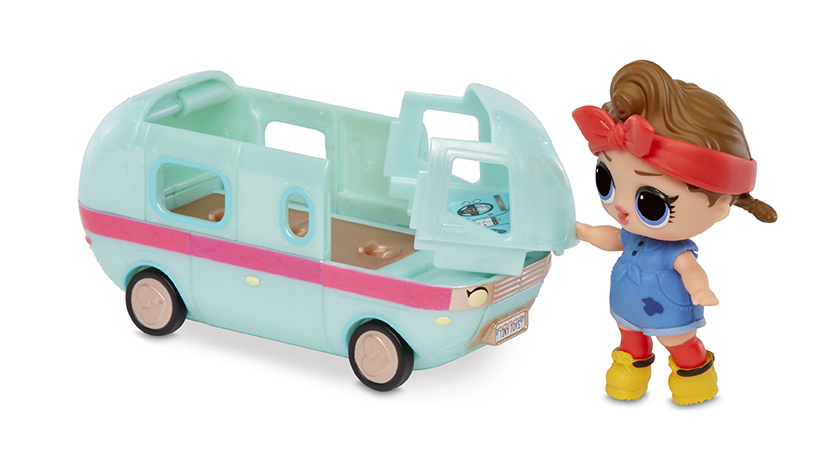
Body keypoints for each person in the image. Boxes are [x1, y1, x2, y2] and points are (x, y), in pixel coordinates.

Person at [572, 60, 776, 405]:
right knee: (630, 339)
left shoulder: (675, 251)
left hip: (669, 309)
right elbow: (614, 238)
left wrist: (700, 289)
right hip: (626, 305)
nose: (621, 207)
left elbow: (690, 269)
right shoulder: (630, 234)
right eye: (606, 180)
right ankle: (630, 370)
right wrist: (585, 231)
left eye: (650, 202)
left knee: (680, 344)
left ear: (721, 206)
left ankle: (694, 377)